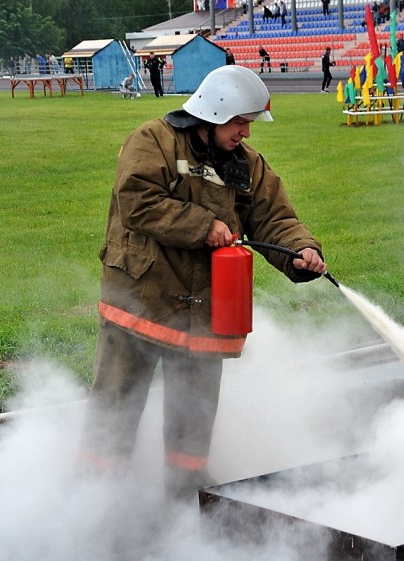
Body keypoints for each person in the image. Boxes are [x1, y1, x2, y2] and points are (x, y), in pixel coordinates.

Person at [81, 65, 328, 499]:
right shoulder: (153, 140)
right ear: (214, 112)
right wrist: (203, 225)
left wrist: (303, 251)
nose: (246, 134)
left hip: (200, 312)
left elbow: (274, 218)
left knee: (194, 413)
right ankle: (99, 496)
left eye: (248, 124)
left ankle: (186, 492)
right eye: (240, 123)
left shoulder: (245, 165)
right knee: (116, 402)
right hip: (139, 300)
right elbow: (137, 199)